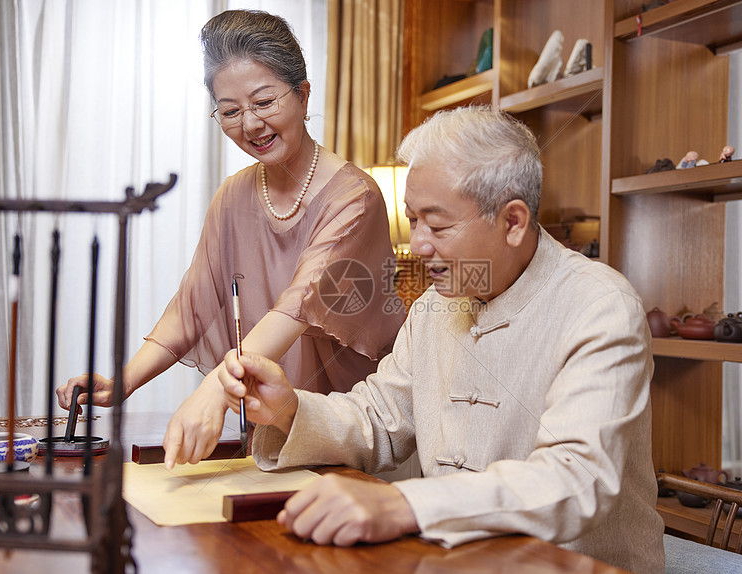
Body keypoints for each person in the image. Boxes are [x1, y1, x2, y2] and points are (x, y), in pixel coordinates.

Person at [219, 107, 666, 573]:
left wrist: (403, 506)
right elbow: (379, 416)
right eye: (413, 220)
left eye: (438, 224)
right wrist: (289, 408)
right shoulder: (436, 305)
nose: (418, 245)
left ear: (513, 221)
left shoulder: (601, 306)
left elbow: (577, 478)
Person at [56, 9, 405, 468]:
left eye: (264, 102)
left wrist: (214, 391)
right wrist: (123, 381)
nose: (252, 125)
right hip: (272, 425)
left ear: (302, 94)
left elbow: (296, 307)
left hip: (350, 429)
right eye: (231, 112)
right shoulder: (235, 195)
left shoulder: (353, 197)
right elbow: (193, 304)